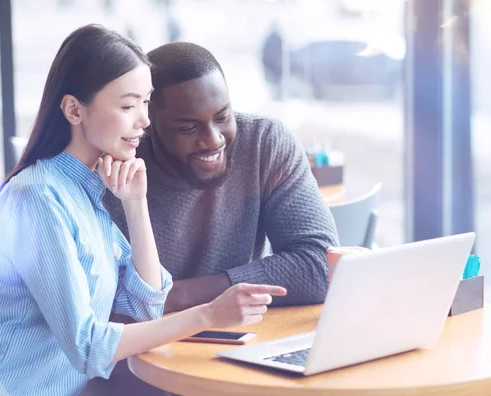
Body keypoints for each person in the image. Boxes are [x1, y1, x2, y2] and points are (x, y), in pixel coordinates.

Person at [0, 25, 285, 396]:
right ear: (74, 110)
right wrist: (207, 314)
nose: (143, 120)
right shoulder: (37, 198)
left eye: (146, 103)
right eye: (128, 105)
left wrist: (135, 203)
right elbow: (89, 348)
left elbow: (147, 306)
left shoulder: (88, 193)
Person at [104, 41, 338, 316]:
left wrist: (178, 296)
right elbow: (102, 300)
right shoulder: (115, 170)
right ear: (147, 124)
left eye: (222, 116)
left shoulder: (264, 143)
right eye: (188, 128)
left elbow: (320, 266)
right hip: (142, 347)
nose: (213, 140)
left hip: (238, 336)